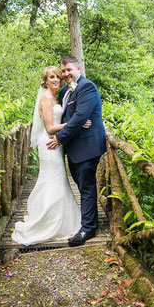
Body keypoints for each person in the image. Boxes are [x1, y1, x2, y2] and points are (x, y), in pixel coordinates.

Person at [11, 66, 85, 246]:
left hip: (56, 144)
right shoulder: (45, 97)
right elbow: (50, 127)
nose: (56, 80)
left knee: (58, 180)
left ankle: (60, 220)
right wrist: (75, 123)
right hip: (49, 144)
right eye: (52, 77)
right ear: (44, 80)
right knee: (54, 180)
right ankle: (48, 223)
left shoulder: (55, 97)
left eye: (58, 77)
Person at [46, 55, 107, 246]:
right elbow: (66, 117)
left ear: (78, 68)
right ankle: (89, 221)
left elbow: (81, 116)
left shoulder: (87, 87)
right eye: (63, 71)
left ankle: (88, 229)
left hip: (87, 146)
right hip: (74, 147)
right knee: (82, 186)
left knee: (87, 187)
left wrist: (59, 138)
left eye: (68, 70)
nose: (65, 74)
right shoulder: (65, 90)